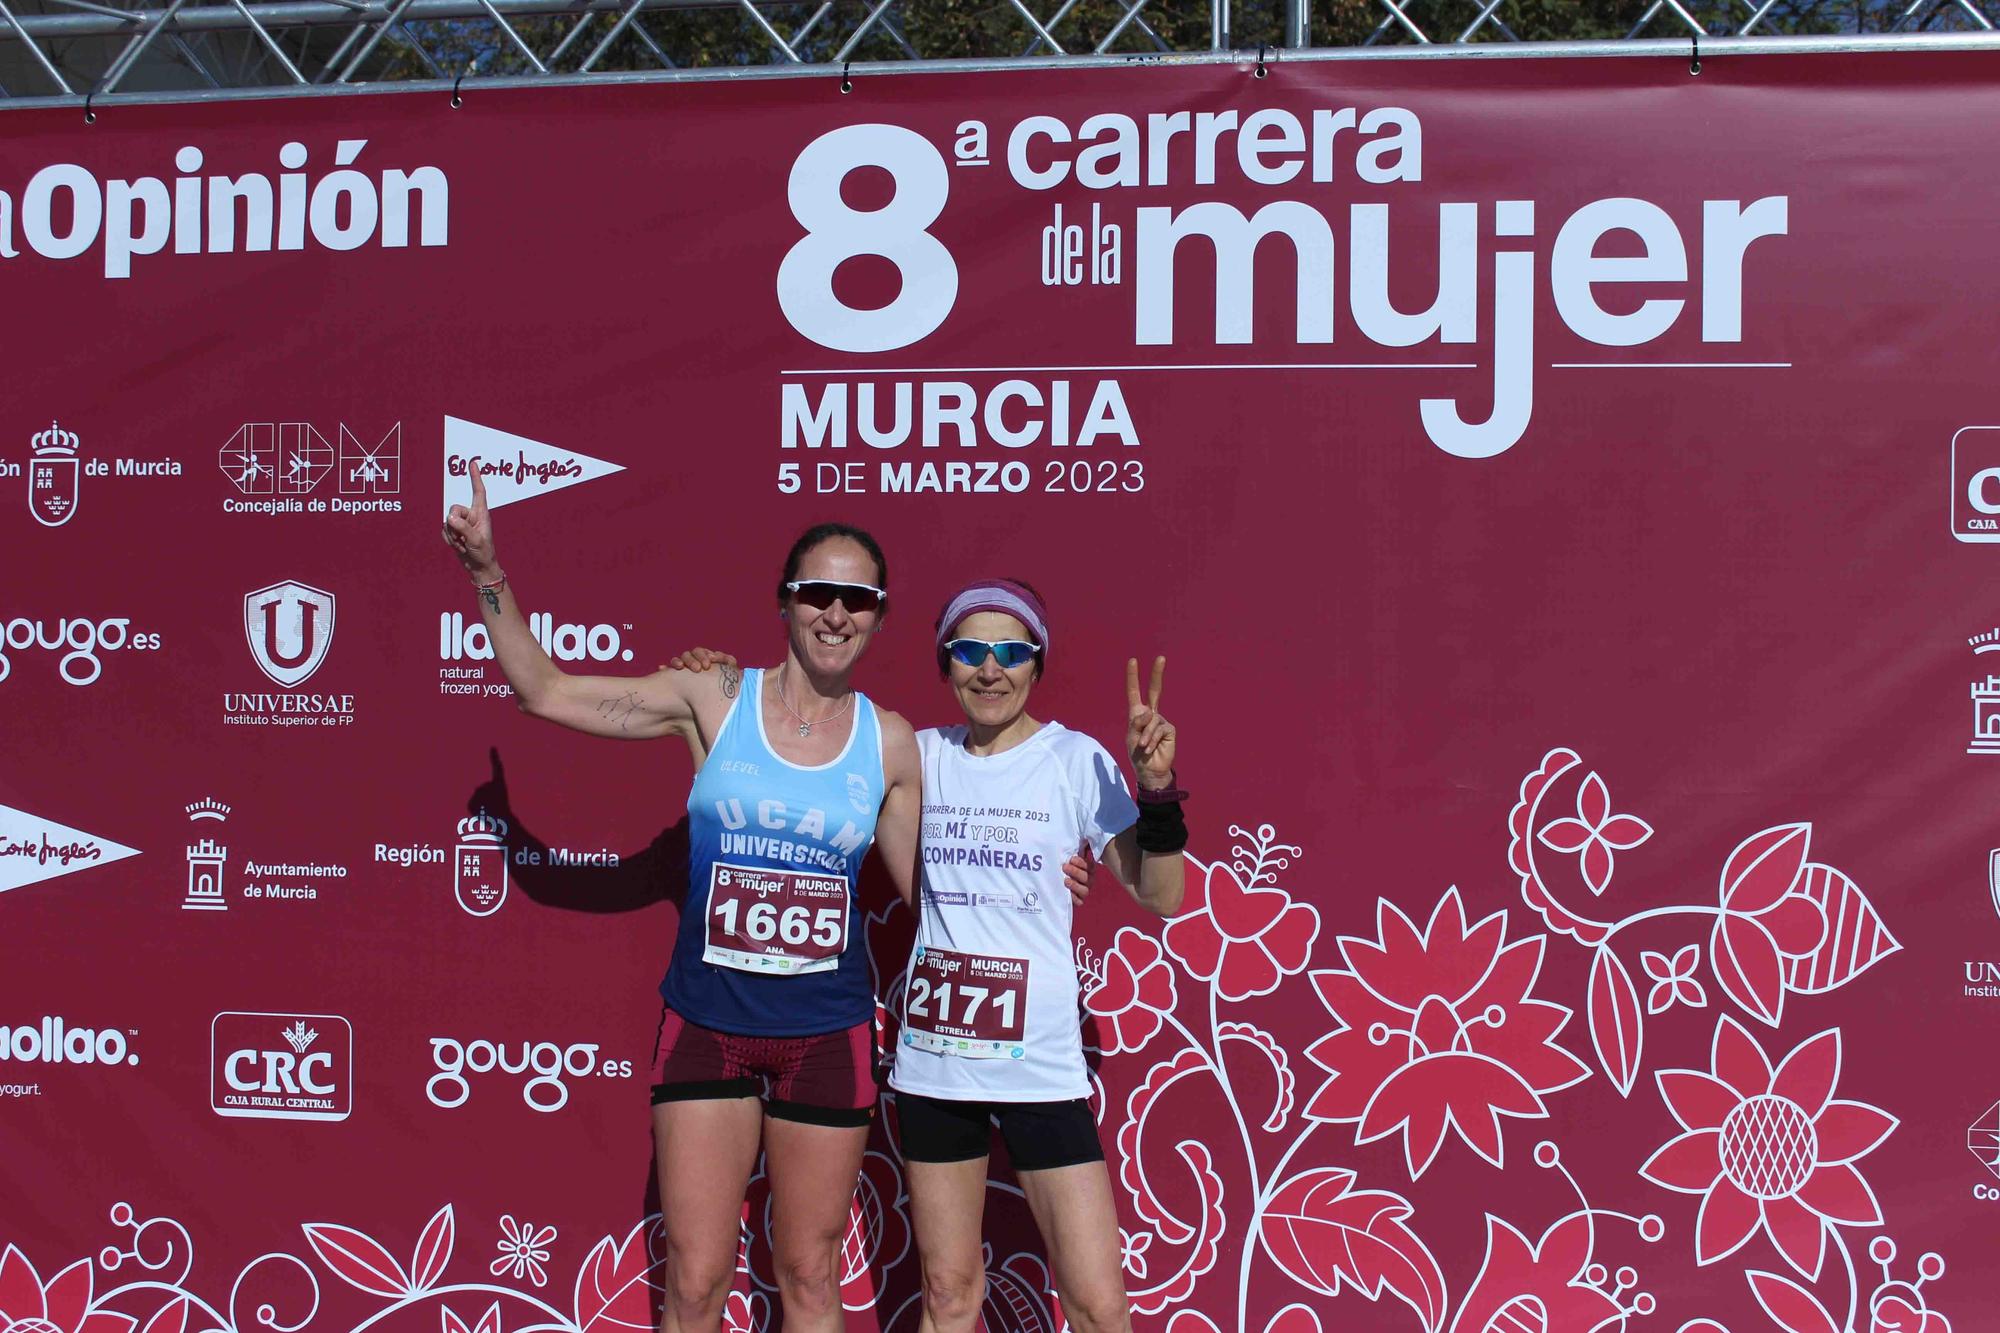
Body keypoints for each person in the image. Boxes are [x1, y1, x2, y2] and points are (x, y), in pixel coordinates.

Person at [442, 465, 921, 1333]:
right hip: (707, 1023)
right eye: (818, 592)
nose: (836, 614)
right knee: (696, 1283)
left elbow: (933, 885)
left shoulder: (889, 743)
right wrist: (486, 570)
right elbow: (546, 690)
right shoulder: (712, 696)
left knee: (810, 1275)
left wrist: (1057, 861)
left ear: (880, 616)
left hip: (826, 1032)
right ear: (785, 601)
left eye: (859, 599)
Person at [673, 577, 1184, 1333]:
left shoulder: (1076, 759)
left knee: (1100, 1306)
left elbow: (1160, 893)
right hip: (935, 1066)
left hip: (1040, 1066)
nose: (990, 668)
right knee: (949, 1295)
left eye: (1011, 651)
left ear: (1036, 663)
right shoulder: (911, 752)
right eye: (970, 650)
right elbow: (796, 746)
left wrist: (1158, 787)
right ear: (945, 662)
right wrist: (714, 683)